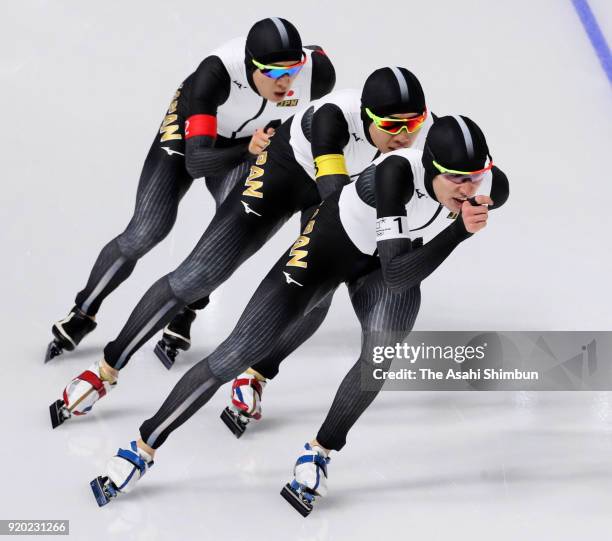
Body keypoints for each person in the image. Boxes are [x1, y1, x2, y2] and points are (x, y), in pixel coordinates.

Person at [87, 115, 509, 513]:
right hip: (329, 250)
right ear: (429, 168)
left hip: (382, 263)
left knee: (379, 359)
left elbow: (399, 267)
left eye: (476, 177)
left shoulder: (486, 183)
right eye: (456, 179)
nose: (468, 189)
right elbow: (399, 274)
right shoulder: (396, 174)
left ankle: (319, 450)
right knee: (235, 352)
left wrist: (468, 205)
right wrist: (457, 232)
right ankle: (143, 445)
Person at [49, 67, 432, 428]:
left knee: (316, 297)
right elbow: (335, 201)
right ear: (366, 117)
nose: (405, 136)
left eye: (414, 124)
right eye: (392, 126)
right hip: (288, 175)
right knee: (197, 275)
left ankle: (256, 373)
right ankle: (106, 369)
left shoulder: (412, 140)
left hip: (343, 188)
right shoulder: (334, 119)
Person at [44, 17, 335, 362]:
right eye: (273, 72)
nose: (286, 82)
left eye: (293, 69)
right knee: (147, 229)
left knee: (232, 231)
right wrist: (249, 150)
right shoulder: (215, 74)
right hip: (192, 138)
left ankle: (188, 308)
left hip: (249, 141)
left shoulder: (318, 75)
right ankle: (84, 310)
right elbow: (197, 164)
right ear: (249, 65)